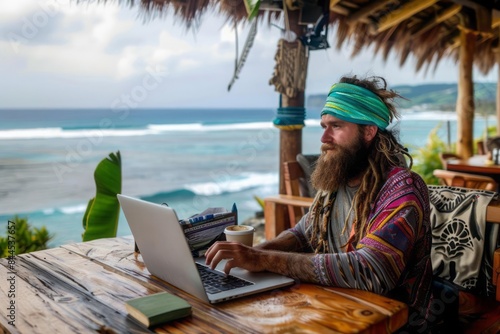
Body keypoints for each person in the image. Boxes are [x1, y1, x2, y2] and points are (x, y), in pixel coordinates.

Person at [205, 75, 433, 332]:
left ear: (368, 131)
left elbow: (371, 271)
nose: (324, 137)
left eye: (336, 126)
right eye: (323, 125)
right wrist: (252, 256)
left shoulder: (401, 189)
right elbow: (303, 234)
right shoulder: (337, 182)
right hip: (337, 305)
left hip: (392, 321)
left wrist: (265, 259)